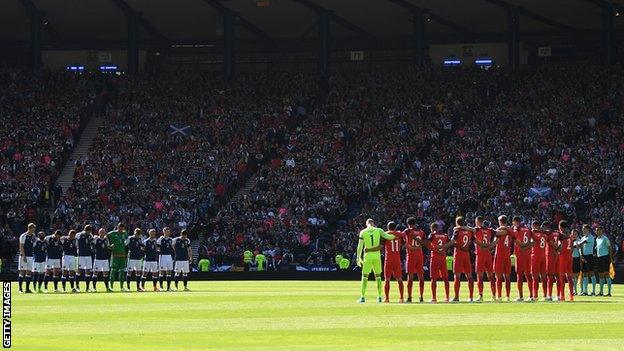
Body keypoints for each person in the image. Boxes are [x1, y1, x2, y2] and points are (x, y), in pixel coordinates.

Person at [355, 218, 396, 303]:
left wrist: (358, 257)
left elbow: (360, 246)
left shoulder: (363, 232)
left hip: (367, 257)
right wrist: (397, 235)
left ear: (367, 224)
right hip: (377, 256)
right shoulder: (379, 230)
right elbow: (389, 237)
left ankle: (362, 297)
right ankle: (379, 297)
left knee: (365, 276)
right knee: (378, 277)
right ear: (373, 223)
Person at [426, 222, 453, 303]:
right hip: (442, 258)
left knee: (433, 279)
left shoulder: (432, 235)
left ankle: (434, 298)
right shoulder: (445, 235)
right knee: (445, 278)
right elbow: (451, 242)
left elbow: (427, 243)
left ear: (433, 229)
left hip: (434, 258)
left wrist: (434, 249)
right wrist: (444, 248)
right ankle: (447, 298)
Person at [450, 216, 474, 302]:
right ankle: (471, 297)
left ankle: (456, 297)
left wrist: (446, 245)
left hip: (459, 254)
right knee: (469, 276)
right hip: (466, 254)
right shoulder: (469, 231)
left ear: (457, 223)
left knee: (457, 276)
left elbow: (453, 241)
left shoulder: (457, 231)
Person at [403, 217, 426, 303]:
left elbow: (402, 237)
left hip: (411, 255)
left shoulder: (408, 231)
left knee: (410, 276)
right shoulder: (421, 232)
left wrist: (409, 246)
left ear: (408, 224)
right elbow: (424, 243)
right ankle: (421, 297)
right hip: (419, 254)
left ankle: (409, 297)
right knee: (421, 276)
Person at [511, 216, 533, 301]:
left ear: (514, 222)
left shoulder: (516, 229)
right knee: (528, 275)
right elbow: (534, 240)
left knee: (519, 275)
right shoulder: (527, 229)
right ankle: (531, 296)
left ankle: (520, 296)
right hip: (528, 254)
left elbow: (515, 239)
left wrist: (522, 246)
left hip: (520, 254)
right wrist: (527, 246)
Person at [473, 217, 495, 302]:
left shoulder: (477, 229)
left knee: (480, 276)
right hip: (488, 254)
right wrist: (490, 246)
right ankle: (494, 296)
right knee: (491, 276)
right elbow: (498, 235)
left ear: (478, 222)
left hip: (480, 254)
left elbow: (469, 230)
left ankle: (480, 296)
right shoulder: (490, 230)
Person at [382, 221, 405, 303]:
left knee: (387, 279)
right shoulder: (399, 234)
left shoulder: (385, 234)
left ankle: (387, 298)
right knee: (399, 279)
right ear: (395, 227)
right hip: (397, 259)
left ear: (388, 227)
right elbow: (404, 235)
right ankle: (401, 298)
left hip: (388, 259)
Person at [492, 215, 512, 302]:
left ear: (500, 221)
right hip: (507, 255)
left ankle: (499, 297)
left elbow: (495, 242)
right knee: (507, 277)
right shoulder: (510, 231)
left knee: (498, 277)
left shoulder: (499, 231)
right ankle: (507, 297)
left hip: (499, 255)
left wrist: (487, 247)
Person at [529, 221, 548, 302]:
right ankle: (545, 296)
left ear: (534, 226)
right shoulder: (545, 235)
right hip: (543, 256)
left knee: (535, 277)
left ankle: (535, 296)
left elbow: (530, 240)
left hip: (536, 257)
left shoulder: (534, 235)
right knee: (544, 277)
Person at [108, 222, 129, 292]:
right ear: (118, 227)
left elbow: (127, 240)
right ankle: (111, 286)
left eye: (122, 228)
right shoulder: (112, 233)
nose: (121, 229)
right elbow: (105, 237)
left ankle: (122, 287)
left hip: (123, 255)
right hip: (115, 255)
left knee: (122, 271)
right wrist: (109, 245)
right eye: (120, 228)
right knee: (113, 271)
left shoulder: (125, 233)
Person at [557, 221, 575, 301]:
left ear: (560, 226)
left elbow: (559, 246)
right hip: (569, 257)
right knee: (569, 277)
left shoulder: (560, 235)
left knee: (561, 277)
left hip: (562, 257)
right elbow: (572, 248)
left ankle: (562, 296)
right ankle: (571, 296)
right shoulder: (570, 236)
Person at [578, 224, 596, 296]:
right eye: (582, 229)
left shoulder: (591, 237)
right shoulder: (583, 237)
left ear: (588, 229)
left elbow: (580, 244)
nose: (583, 230)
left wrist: (579, 244)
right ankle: (585, 291)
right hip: (583, 256)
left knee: (591, 273)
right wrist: (581, 255)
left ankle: (593, 291)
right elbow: (579, 247)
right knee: (584, 274)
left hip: (589, 256)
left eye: (584, 229)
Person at [18, 223, 36, 293]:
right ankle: (20, 289)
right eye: (33, 229)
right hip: (24, 256)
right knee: (22, 272)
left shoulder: (33, 236)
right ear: (29, 228)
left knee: (29, 272)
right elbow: (21, 246)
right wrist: (24, 256)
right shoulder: (23, 236)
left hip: (31, 256)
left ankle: (27, 289)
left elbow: (34, 243)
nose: (33, 231)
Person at [594, 226, 612, 297]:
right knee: (600, 275)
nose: (597, 232)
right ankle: (601, 292)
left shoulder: (605, 238)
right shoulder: (597, 239)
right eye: (596, 230)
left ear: (601, 231)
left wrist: (610, 258)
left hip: (605, 257)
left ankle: (609, 292)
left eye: (598, 230)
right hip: (599, 258)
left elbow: (609, 248)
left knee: (606, 274)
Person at [76, 225, 95, 292]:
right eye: (88, 231)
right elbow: (81, 244)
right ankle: (77, 286)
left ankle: (87, 287)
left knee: (88, 271)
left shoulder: (90, 236)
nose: (89, 232)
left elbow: (92, 244)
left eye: (90, 231)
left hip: (88, 255)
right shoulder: (80, 235)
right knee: (79, 270)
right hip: (82, 255)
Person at [544, 222, 560, 301]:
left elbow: (551, 243)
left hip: (550, 255)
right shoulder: (557, 233)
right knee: (557, 276)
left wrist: (556, 247)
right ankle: (558, 295)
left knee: (550, 276)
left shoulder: (549, 234)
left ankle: (549, 295)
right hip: (556, 255)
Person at [571, 229, 583, 295]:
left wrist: (581, 256)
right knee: (572, 276)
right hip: (571, 259)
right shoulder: (569, 240)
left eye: (575, 234)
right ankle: (574, 290)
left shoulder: (579, 240)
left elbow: (580, 248)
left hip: (577, 259)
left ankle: (581, 290)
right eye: (573, 234)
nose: (574, 235)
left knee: (578, 275)